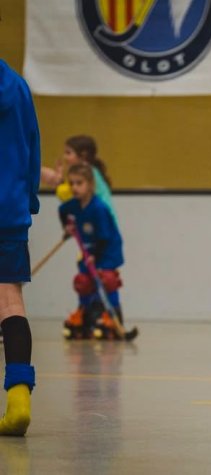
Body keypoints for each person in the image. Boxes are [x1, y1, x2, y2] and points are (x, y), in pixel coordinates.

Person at [0, 58, 40, 436]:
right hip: (8, 212)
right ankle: (18, 400)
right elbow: (32, 148)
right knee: (10, 301)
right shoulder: (16, 85)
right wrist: (27, 200)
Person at [59, 164, 125, 340]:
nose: (74, 187)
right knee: (83, 282)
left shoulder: (99, 208)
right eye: (71, 183)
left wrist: (96, 256)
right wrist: (67, 227)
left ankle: (113, 316)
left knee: (107, 280)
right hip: (87, 250)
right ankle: (85, 315)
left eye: (79, 183)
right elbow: (62, 211)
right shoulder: (72, 206)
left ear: (90, 184)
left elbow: (104, 237)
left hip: (107, 249)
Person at [42, 135, 118, 220]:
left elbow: (67, 194)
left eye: (68, 153)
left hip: (101, 220)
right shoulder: (89, 170)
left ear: (83, 155)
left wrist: (58, 182)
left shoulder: (86, 173)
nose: (64, 157)